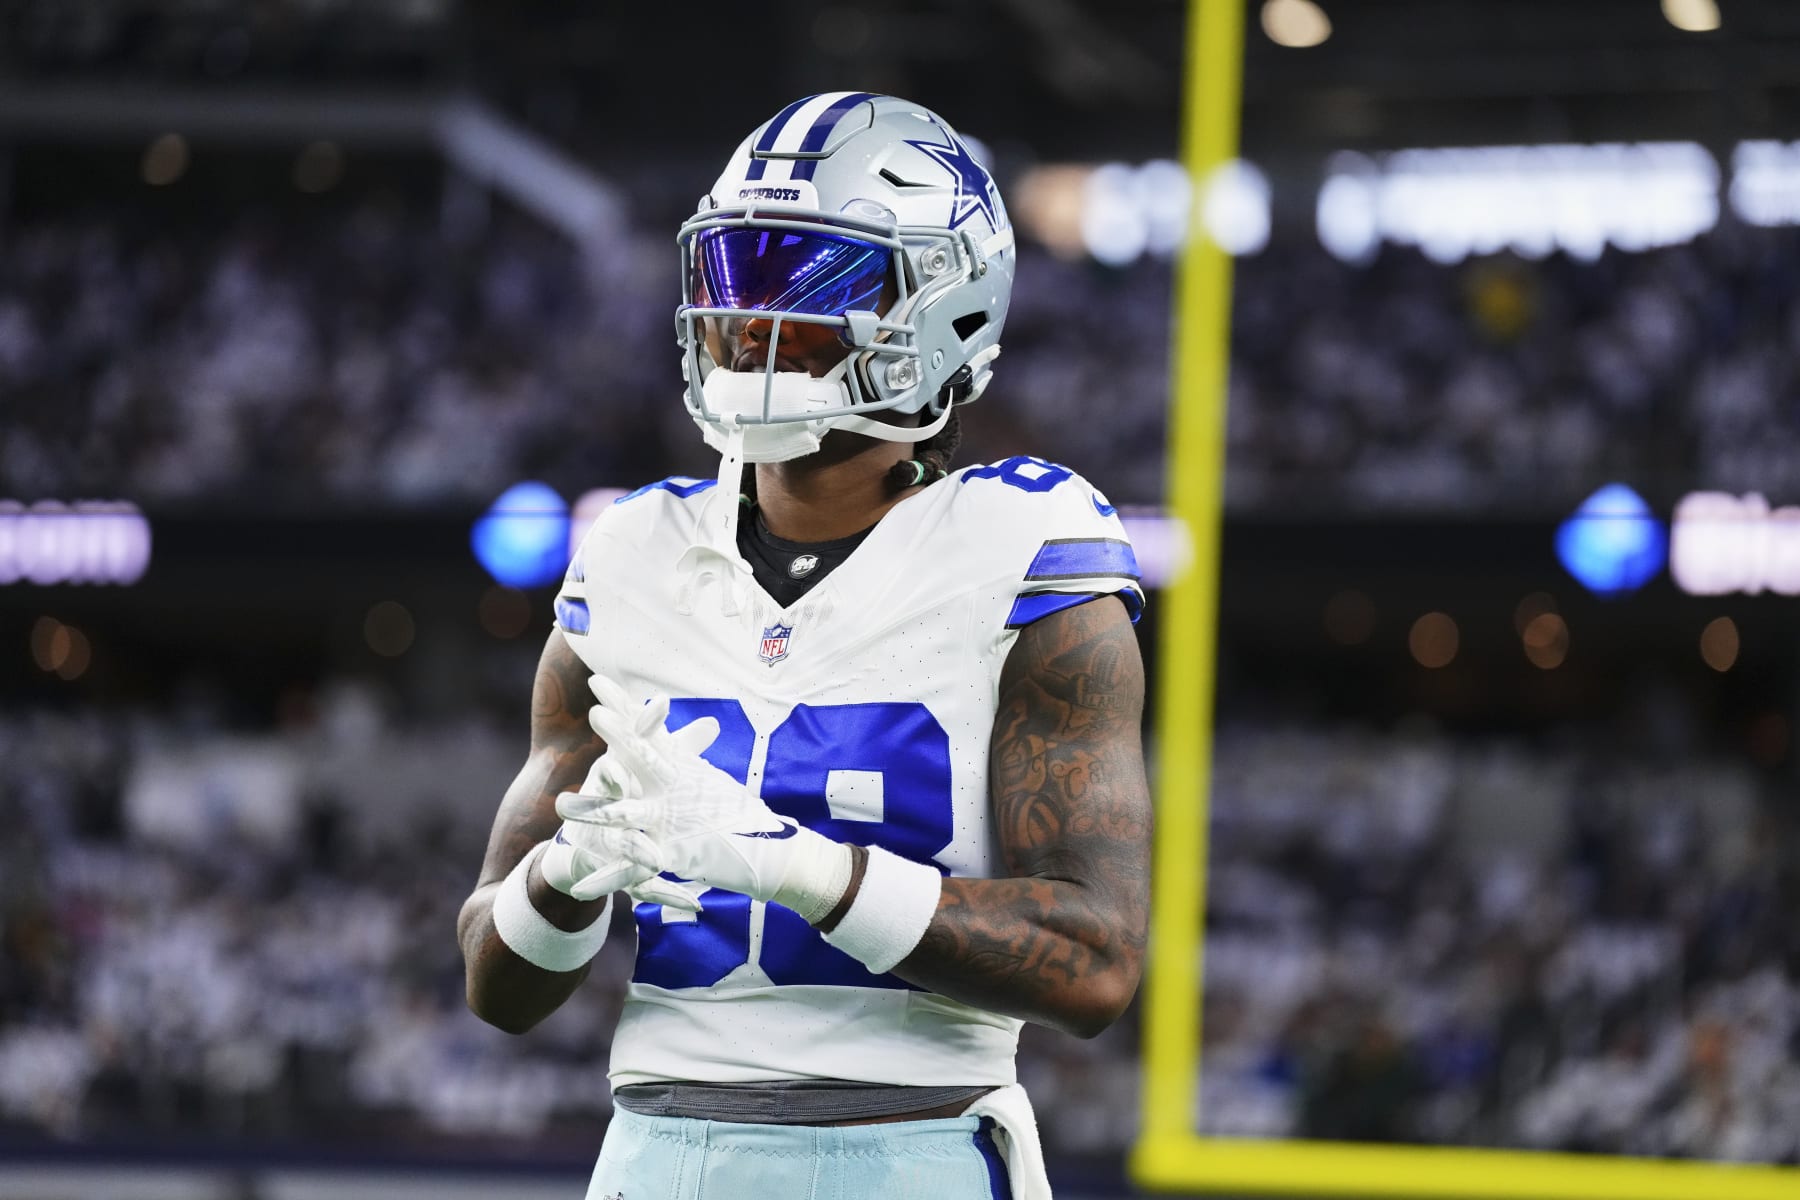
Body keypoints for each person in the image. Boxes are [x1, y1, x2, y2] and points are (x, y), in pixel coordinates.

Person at [456, 91, 1151, 1200]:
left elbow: (1097, 962)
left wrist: (792, 866)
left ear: (944, 309)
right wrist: (569, 877)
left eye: (813, 280)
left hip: (910, 1150)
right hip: (655, 1157)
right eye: (735, 277)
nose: (751, 318)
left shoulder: (1025, 549)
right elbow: (496, 985)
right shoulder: (632, 552)